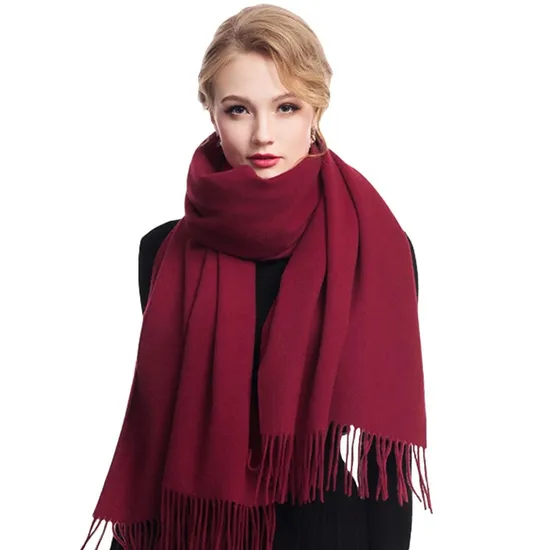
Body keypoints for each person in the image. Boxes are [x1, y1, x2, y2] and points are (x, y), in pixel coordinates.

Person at [80, 4, 431, 550]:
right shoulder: (162, 252)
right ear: (212, 113)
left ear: (316, 109)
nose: (263, 134)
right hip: (195, 533)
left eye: (286, 107)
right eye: (239, 110)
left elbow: (382, 447)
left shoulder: (377, 249)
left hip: (330, 532)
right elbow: (156, 426)